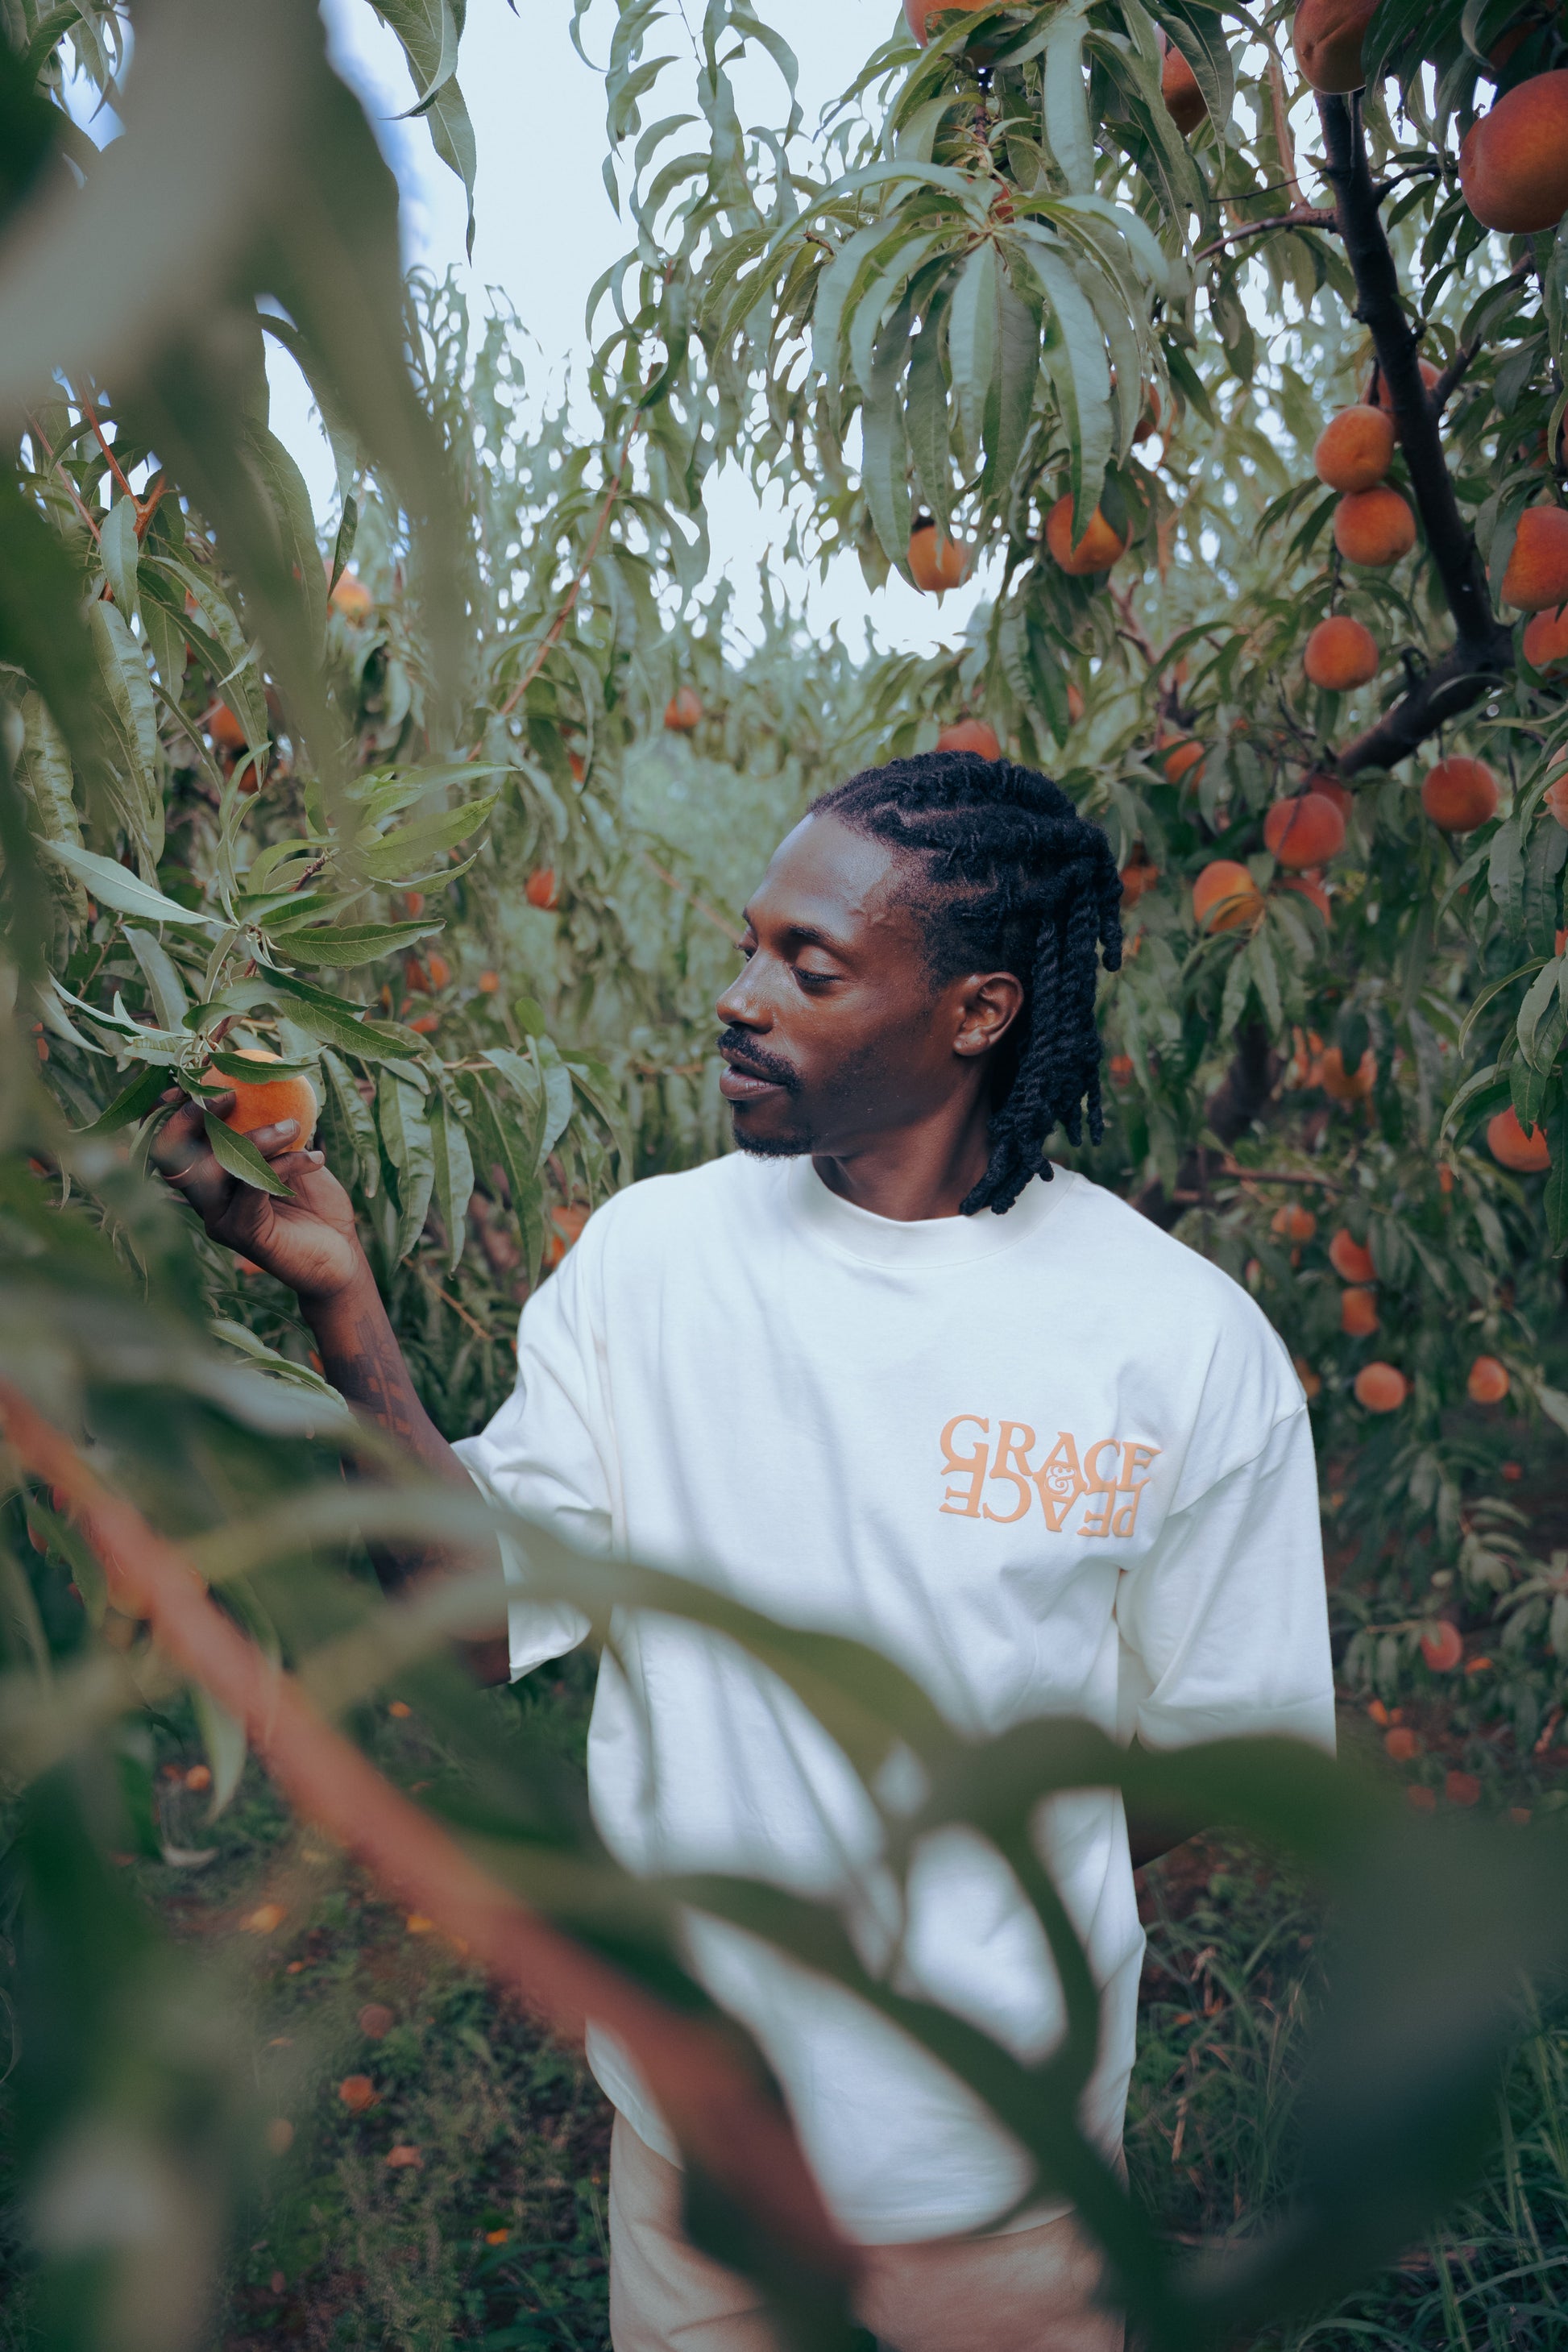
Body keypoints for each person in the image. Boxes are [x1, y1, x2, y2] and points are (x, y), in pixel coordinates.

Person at [153, 751, 1334, 2352]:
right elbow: (475, 1630)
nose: (738, 995)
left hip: (999, 2186)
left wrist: (991, 1916)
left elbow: (1226, 1749)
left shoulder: (1172, 1340)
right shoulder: (658, 1259)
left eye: (808, 963)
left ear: (976, 1012)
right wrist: (342, 1306)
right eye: (746, 942)